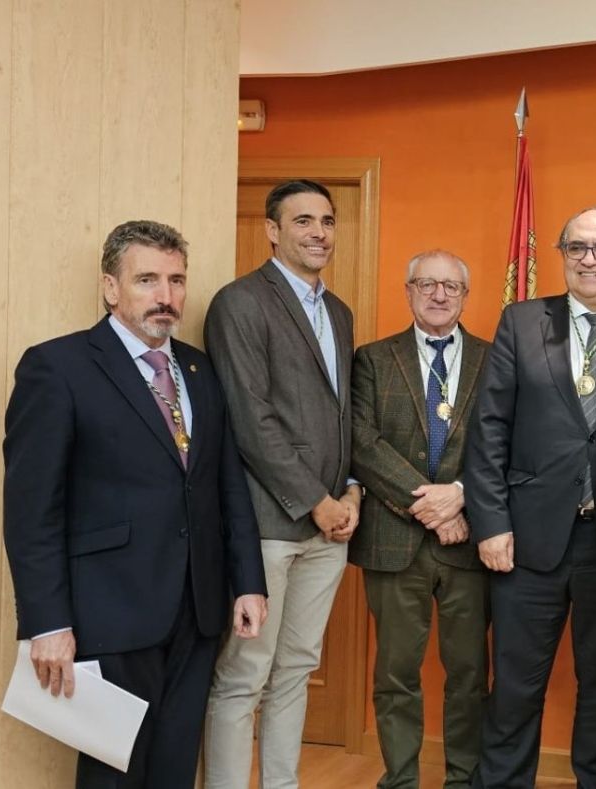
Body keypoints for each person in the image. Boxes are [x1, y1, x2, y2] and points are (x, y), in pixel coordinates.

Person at [3, 220, 268, 788]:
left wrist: (248, 580)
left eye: (176, 280)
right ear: (110, 287)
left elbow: (226, 485)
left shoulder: (200, 370)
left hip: (197, 609)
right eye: (147, 279)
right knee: (112, 773)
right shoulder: (58, 368)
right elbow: (32, 511)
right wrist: (47, 622)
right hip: (109, 610)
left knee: (174, 767)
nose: (166, 297)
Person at [463, 205, 596, 788]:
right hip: (526, 538)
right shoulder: (521, 320)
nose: (590, 259)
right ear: (560, 256)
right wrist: (490, 522)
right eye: (577, 247)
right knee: (513, 686)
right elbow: (489, 429)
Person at [204, 179, 360, 789]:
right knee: (246, 672)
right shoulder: (239, 303)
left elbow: (342, 414)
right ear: (272, 230)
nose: (318, 232)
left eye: (326, 220)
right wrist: (316, 501)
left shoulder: (339, 311)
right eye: (302, 221)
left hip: (331, 524)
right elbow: (251, 419)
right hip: (269, 522)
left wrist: (348, 491)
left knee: (297, 667)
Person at [349, 250, 490, 788]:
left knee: (471, 675)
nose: (438, 295)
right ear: (408, 290)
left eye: (451, 286)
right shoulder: (373, 358)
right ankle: (400, 779)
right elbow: (362, 443)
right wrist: (430, 507)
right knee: (395, 676)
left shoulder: (495, 358)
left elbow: (503, 445)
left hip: (470, 540)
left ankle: (464, 779)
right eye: (427, 284)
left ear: (465, 296)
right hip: (394, 539)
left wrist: (460, 495)